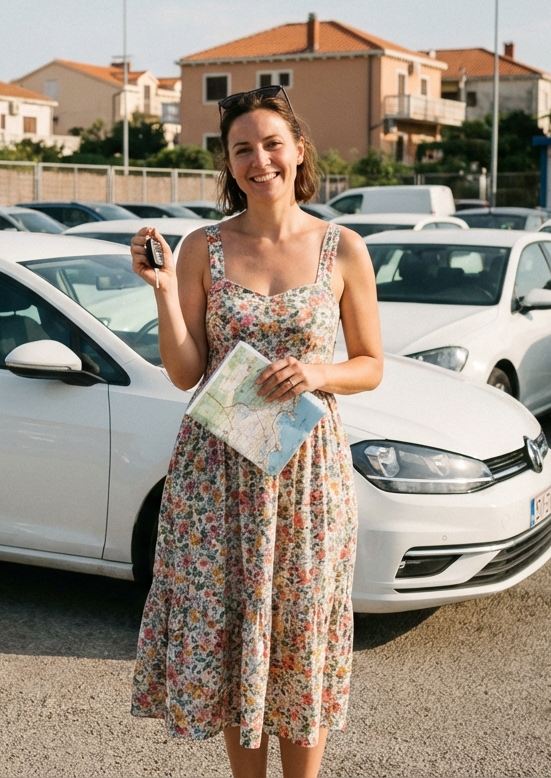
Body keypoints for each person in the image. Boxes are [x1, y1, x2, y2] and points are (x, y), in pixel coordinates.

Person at [129, 86, 383, 778]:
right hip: (218, 472)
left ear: (299, 151)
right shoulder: (202, 248)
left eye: (272, 143)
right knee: (237, 629)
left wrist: (319, 372)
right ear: (228, 162)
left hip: (305, 473)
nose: (258, 159)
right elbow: (185, 372)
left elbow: (371, 365)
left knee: (299, 630)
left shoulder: (343, 249)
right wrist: (159, 292)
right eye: (242, 148)